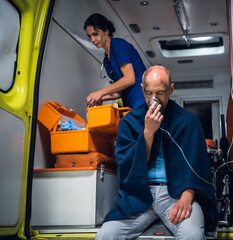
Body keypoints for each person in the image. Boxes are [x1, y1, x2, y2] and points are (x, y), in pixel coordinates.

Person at [95, 66, 218, 240]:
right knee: (106, 235)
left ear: (171, 89)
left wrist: (187, 198)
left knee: (192, 235)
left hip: (176, 194)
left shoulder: (188, 121)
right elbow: (127, 167)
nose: (154, 99)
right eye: (148, 93)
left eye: (160, 93)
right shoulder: (128, 122)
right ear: (141, 89)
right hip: (139, 195)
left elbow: (197, 166)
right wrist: (148, 133)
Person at [84, 13, 146, 108]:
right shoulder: (106, 59)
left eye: (95, 34)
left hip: (141, 99)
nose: (92, 39)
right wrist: (101, 97)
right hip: (130, 102)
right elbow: (121, 90)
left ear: (106, 31)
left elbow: (129, 79)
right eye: (89, 36)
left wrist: (99, 93)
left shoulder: (118, 45)